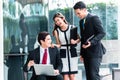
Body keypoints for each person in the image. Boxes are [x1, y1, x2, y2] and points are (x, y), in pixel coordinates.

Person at [73, 1, 106, 80]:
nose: (77, 15)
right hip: (86, 53)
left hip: (95, 52)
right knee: (88, 76)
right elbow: (83, 38)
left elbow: (102, 33)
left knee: (93, 76)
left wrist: (91, 42)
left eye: (78, 13)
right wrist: (82, 53)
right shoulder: (81, 21)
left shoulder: (94, 18)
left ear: (84, 9)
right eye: (76, 14)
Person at [52, 12, 80, 80]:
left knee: (72, 76)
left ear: (63, 18)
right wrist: (54, 45)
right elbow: (59, 44)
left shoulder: (72, 27)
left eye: (58, 20)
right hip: (63, 52)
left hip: (72, 51)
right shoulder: (56, 31)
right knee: (65, 76)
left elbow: (79, 39)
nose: (57, 22)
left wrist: (75, 41)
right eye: (56, 21)